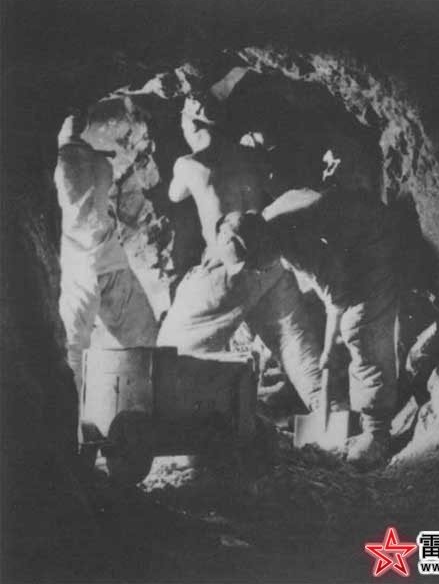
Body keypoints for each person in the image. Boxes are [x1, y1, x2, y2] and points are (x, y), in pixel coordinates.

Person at [156, 99, 324, 411]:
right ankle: (333, 418)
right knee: (296, 346)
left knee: (173, 347)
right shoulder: (250, 156)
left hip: (227, 266)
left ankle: (182, 427)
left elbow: (174, 194)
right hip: (269, 262)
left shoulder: (189, 164)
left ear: (191, 125)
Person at [215, 187, 401, 466]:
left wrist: (328, 351)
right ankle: (355, 407)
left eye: (252, 263)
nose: (255, 270)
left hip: (375, 245)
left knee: (358, 329)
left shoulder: (300, 244)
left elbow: (338, 298)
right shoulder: (272, 220)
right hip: (356, 238)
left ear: (263, 246)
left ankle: (377, 432)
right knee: (327, 316)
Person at [55, 113, 159, 400]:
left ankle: (77, 419)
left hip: (84, 263)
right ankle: (141, 410)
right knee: (142, 339)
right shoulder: (96, 162)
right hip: (101, 259)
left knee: (73, 351)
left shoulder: (59, 161)